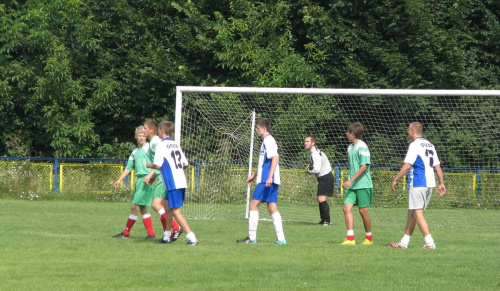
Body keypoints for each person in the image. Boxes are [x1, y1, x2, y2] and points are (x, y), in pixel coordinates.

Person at [389, 122, 446, 249]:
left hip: (419, 182)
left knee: (417, 212)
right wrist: (441, 183)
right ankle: (404, 243)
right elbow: (437, 166)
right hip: (430, 183)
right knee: (412, 212)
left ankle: (430, 243)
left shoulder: (415, 145)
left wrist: (396, 179)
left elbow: (407, 165)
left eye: (408, 130)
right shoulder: (430, 145)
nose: (408, 132)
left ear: (413, 131)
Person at [144, 120, 199, 246]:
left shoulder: (161, 145)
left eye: (158, 131)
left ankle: (192, 238)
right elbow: (185, 164)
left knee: (175, 211)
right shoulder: (175, 144)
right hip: (180, 180)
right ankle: (167, 236)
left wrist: (149, 165)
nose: (158, 133)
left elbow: (157, 165)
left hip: (173, 183)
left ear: (162, 131)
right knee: (168, 208)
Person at [237, 118, 286, 244]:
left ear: (264, 128)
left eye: (258, 128)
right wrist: (254, 174)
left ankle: (251, 238)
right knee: (272, 207)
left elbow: (274, 158)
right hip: (268, 178)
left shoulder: (269, 140)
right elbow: (265, 162)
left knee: (253, 204)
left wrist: (269, 177)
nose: (256, 130)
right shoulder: (267, 141)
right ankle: (281, 239)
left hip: (267, 180)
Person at [143, 118, 183, 241]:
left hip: (164, 178)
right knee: (166, 206)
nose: (143, 130)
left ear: (152, 130)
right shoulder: (154, 142)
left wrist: (151, 173)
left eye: (144, 128)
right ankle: (168, 233)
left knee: (156, 205)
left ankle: (176, 228)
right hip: (161, 177)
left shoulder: (156, 143)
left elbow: (159, 162)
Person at [112, 126, 156, 239]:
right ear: (135, 136)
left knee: (134, 206)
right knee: (142, 207)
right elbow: (129, 167)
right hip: (139, 180)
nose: (141, 137)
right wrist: (119, 179)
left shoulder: (149, 148)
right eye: (139, 135)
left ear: (146, 137)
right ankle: (151, 234)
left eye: (143, 135)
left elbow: (157, 163)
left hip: (147, 180)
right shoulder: (135, 152)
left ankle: (126, 233)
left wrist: (151, 175)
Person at [341, 122, 373, 245]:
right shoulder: (350, 148)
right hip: (352, 184)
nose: (346, 134)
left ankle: (368, 238)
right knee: (346, 208)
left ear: (352, 133)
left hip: (363, 184)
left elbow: (364, 166)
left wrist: (351, 180)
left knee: (362, 211)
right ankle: (350, 238)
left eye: (347, 132)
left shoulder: (362, 146)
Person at [304, 135, 334, 226]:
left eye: (307, 141)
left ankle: (327, 221)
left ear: (313, 143)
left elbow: (317, 169)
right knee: (320, 198)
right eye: (305, 141)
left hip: (325, 176)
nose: (305, 143)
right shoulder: (314, 152)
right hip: (325, 176)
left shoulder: (315, 154)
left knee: (321, 198)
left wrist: (309, 171)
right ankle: (324, 220)